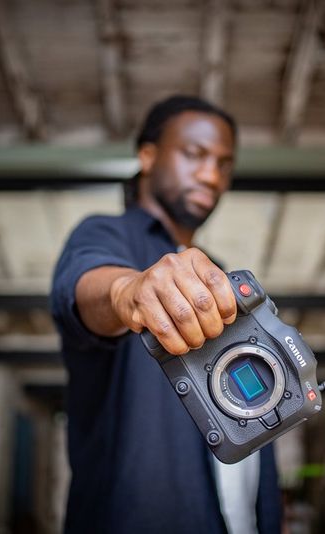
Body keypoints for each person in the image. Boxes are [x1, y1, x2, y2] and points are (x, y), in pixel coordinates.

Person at [50, 95, 281, 534]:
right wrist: (127, 291)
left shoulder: (220, 273)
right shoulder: (106, 234)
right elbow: (84, 288)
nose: (212, 175)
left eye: (224, 164)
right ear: (147, 155)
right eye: (194, 154)